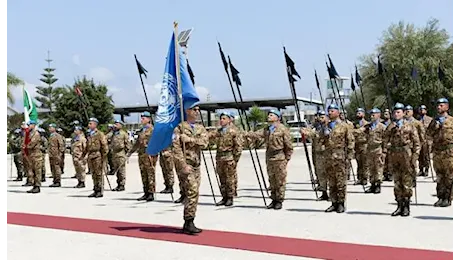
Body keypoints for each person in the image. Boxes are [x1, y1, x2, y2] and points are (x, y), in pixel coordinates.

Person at [172, 103, 209, 235]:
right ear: (187, 111)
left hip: (196, 165)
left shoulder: (200, 128)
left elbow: (204, 143)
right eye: (194, 109)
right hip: (186, 165)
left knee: (193, 193)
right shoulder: (179, 128)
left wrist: (189, 139)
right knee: (192, 191)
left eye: (198, 109)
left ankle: (188, 222)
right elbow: (176, 149)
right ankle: (189, 221)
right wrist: (183, 165)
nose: (197, 112)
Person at [246, 109, 293, 210]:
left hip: (279, 157)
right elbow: (257, 135)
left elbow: (288, 145)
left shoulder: (283, 129)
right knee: (272, 180)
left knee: (280, 180)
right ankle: (273, 199)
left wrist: (286, 159)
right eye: (269, 115)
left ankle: (279, 200)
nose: (269, 117)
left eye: (271, 115)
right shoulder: (267, 129)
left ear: (277, 117)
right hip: (270, 157)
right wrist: (247, 134)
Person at [385, 103, 420, 217]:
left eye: (398, 112)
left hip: (407, 157)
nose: (396, 114)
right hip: (395, 157)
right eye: (395, 112)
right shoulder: (391, 126)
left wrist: (414, 158)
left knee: (406, 182)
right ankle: (399, 205)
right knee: (397, 182)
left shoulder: (410, 126)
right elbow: (385, 140)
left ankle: (406, 206)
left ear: (404, 113)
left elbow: (417, 143)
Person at [320, 104, 354, 213]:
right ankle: (333, 202)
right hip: (329, 157)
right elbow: (319, 137)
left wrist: (349, 156)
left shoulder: (344, 126)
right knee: (332, 181)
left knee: (340, 181)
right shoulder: (326, 126)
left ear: (338, 112)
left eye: (332, 111)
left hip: (340, 157)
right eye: (329, 111)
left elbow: (350, 141)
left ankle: (341, 203)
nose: (330, 113)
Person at [208, 111, 244, 207]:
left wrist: (235, 159)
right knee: (222, 179)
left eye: (224, 118)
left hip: (229, 158)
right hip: (220, 158)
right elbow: (209, 137)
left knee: (230, 179)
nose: (221, 120)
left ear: (229, 120)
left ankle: (230, 197)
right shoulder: (218, 131)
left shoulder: (234, 131)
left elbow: (238, 146)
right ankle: (224, 197)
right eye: (221, 118)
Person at [427, 98, 454, 207]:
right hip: (438, 152)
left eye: (441, 105)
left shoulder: (452, 120)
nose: (439, 107)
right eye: (438, 105)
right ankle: (440, 197)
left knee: (449, 175)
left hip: (449, 152)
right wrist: (435, 126)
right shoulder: (434, 121)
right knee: (439, 175)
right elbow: (428, 134)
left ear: (447, 107)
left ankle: (448, 198)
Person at [127, 112, 157, 202]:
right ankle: (146, 192)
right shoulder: (141, 131)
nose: (142, 120)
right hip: (141, 154)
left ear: (149, 119)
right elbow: (136, 144)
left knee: (150, 173)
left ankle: (151, 193)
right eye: (142, 118)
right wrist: (130, 153)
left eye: (144, 118)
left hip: (150, 154)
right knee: (143, 173)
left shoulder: (153, 130)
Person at [301, 110, 329, 201]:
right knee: (321, 174)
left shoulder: (329, 126)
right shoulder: (318, 126)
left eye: (322, 117)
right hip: (318, 152)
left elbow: (318, 135)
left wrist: (308, 133)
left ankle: (332, 193)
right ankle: (324, 192)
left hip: (327, 153)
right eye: (319, 117)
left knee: (329, 174)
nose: (320, 119)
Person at [84, 118, 109, 198]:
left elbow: (104, 146)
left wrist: (103, 157)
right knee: (93, 174)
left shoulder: (100, 134)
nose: (89, 125)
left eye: (90, 124)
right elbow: (87, 146)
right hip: (91, 155)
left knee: (99, 174)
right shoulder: (89, 134)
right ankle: (95, 189)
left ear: (95, 125)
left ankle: (100, 190)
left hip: (98, 155)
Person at [364, 108, 386, 194]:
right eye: (371, 114)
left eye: (374, 114)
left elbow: (385, 139)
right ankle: (372, 184)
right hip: (370, 149)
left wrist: (384, 151)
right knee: (371, 167)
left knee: (378, 167)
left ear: (379, 115)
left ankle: (378, 185)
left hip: (378, 148)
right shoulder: (368, 126)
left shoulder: (382, 127)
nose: (372, 116)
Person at [110, 120, 131, 191]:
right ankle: (118, 184)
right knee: (116, 170)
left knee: (121, 170)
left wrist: (127, 153)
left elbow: (127, 144)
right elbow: (106, 137)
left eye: (117, 124)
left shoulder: (123, 134)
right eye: (115, 124)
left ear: (121, 125)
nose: (115, 125)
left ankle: (122, 184)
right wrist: (110, 130)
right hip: (114, 154)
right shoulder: (113, 133)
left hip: (121, 153)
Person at [23, 120, 43, 194]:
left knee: (37, 171)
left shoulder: (36, 134)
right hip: (32, 155)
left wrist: (26, 147)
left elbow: (32, 143)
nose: (28, 126)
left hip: (36, 155)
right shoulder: (30, 133)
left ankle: (37, 186)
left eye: (30, 125)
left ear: (34, 125)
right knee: (33, 171)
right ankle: (34, 185)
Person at [353, 108, 369, 185]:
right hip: (357, 145)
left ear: (363, 114)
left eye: (360, 112)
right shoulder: (354, 124)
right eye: (357, 113)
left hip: (364, 144)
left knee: (365, 162)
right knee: (359, 162)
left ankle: (365, 178)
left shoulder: (367, 124)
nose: (358, 114)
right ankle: (360, 178)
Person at [417, 105, 433, 177]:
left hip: (427, 140)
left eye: (423, 109)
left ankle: (426, 169)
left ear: (426, 111)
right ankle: (421, 170)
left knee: (426, 156)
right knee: (420, 156)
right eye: (420, 109)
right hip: (420, 141)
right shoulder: (417, 120)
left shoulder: (430, 119)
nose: (422, 111)